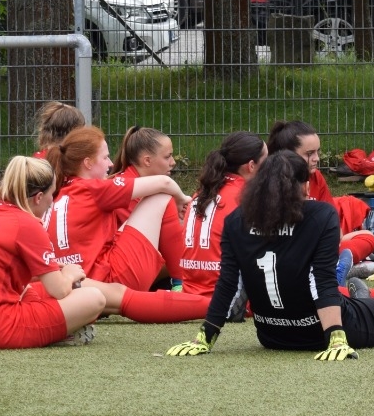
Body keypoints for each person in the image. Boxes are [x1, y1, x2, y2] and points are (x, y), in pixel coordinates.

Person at [163, 151, 374, 358]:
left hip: (271, 336)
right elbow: (322, 282)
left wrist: (205, 337)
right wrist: (336, 337)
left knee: (349, 294)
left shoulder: (236, 220)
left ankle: (364, 297)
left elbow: (228, 284)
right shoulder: (320, 215)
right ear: (305, 185)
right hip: (325, 328)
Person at [44, 126, 210, 323]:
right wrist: (182, 199)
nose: (110, 164)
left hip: (73, 280)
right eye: (105, 157)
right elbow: (164, 184)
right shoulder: (95, 188)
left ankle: (183, 284)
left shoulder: (59, 193)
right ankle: (183, 284)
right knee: (161, 197)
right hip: (106, 279)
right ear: (87, 163)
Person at [0, 156, 106, 349]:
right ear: (39, 197)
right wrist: (69, 274)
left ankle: (52, 329)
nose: (52, 201)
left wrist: (45, 272)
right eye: (52, 194)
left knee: (29, 290)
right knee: (94, 298)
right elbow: (59, 290)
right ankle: (58, 333)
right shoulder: (27, 223)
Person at [265, 120, 374, 269]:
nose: (317, 158)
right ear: (288, 154)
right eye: (309, 154)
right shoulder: (269, 180)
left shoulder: (316, 177)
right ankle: (336, 265)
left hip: (317, 247)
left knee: (368, 237)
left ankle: (339, 264)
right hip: (283, 250)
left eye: (317, 152)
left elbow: (335, 231)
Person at [178, 132, 266, 298]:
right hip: (228, 298)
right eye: (266, 161)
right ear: (251, 166)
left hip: (189, 293)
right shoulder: (247, 197)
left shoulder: (202, 192)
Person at [114, 125, 195, 285]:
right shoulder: (129, 190)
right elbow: (151, 246)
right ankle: (181, 285)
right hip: (121, 269)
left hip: (125, 261)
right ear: (147, 160)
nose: (173, 162)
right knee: (194, 257)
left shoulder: (134, 182)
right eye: (167, 157)